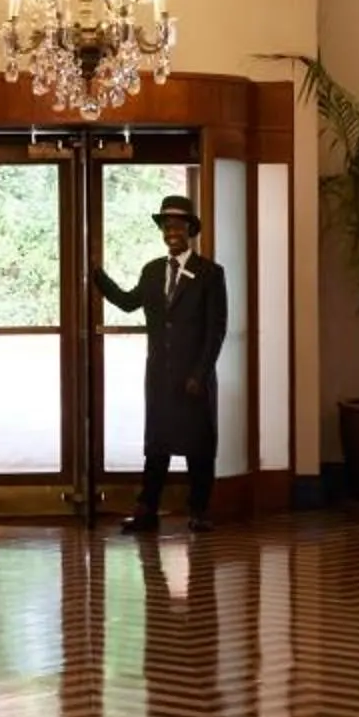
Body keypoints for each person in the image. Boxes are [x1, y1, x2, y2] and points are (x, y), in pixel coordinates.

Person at [96, 193, 228, 533]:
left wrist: (200, 372)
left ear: (190, 230)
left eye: (178, 225)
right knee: (157, 444)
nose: (172, 231)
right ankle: (146, 510)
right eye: (167, 225)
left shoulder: (211, 273)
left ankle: (199, 511)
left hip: (194, 377)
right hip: (159, 376)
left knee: (199, 446)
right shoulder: (153, 271)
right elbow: (127, 302)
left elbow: (216, 330)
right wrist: (96, 276)